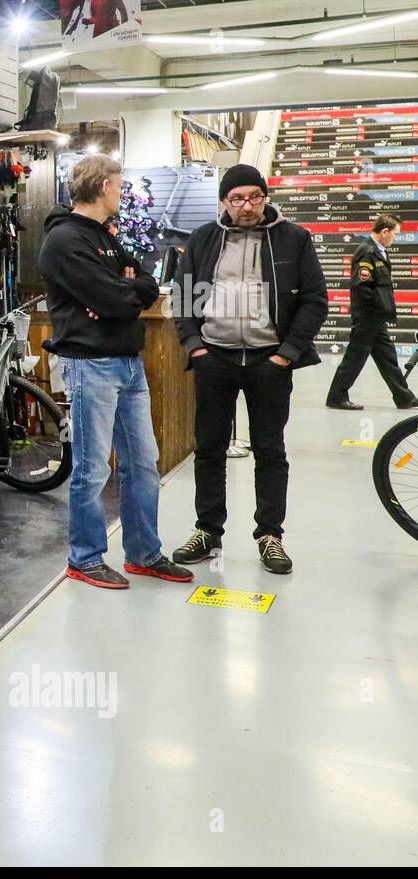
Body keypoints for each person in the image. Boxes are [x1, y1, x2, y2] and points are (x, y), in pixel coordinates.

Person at [39, 153, 194, 590]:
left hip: (128, 364)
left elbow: (144, 282)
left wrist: (128, 287)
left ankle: (144, 554)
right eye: (119, 184)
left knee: (143, 464)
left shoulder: (104, 236)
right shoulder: (65, 241)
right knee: (92, 469)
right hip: (90, 366)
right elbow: (115, 299)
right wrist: (126, 289)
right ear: (102, 186)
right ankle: (84, 558)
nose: (122, 192)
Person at [170, 164, 327, 575]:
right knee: (208, 449)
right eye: (237, 198)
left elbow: (314, 299)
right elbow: (183, 296)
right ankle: (207, 530)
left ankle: (270, 535)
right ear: (224, 201)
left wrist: (286, 353)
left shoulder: (293, 239)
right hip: (215, 359)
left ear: (266, 197)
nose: (246, 206)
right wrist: (195, 348)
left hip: (268, 362)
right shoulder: (205, 238)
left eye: (254, 196)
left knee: (270, 449)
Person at [325, 214, 416, 410]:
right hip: (368, 316)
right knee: (355, 357)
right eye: (395, 234)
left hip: (376, 317)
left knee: (387, 357)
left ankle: (404, 397)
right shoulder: (367, 252)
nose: (395, 238)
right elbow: (362, 287)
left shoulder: (379, 251)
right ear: (385, 232)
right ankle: (336, 397)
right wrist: (378, 307)